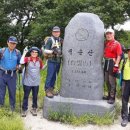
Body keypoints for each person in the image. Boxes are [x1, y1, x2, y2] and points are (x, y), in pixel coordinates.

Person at [20, 46, 45, 117]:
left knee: (35, 96)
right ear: (30, 52)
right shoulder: (27, 59)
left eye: (36, 52)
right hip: (27, 82)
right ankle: (24, 109)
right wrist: (24, 53)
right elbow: (21, 62)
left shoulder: (39, 60)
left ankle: (34, 108)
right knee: (26, 96)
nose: (34, 53)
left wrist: (47, 62)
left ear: (37, 53)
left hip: (36, 82)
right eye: (33, 52)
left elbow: (42, 68)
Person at [0, 36, 21, 111]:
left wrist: (19, 67)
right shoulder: (1, 51)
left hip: (12, 74)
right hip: (2, 73)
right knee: (1, 91)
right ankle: (1, 107)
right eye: (11, 43)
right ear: (7, 42)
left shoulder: (18, 52)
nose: (13, 45)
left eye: (14, 43)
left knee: (12, 91)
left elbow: (19, 63)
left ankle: (12, 108)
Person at [104, 28, 122, 104]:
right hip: (106, 61)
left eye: (110, 33)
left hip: (112, 62)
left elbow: (119, 55)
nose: (108, 35)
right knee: (106, 80)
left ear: (113, 34)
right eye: (107, 34)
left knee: (112, 81)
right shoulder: (106, 43)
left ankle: (112, 97)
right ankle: (108, 95)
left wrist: (116, 64)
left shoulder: (117, 43)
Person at [43, 26, 63, 98]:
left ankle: (51, 89)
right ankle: (47, 90)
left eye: (57, 32)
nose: (56, 33)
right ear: (52, 32)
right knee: (50, 75)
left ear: (60, 32)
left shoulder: (60, 40)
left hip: (58, 61)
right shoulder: (50, 40)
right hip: (51, 60)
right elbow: (45, 50)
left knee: (55, 76)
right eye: (55, 32)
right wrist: (52, 51)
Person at [121, 46, 130, 127]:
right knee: (124, 100)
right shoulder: (124, 61)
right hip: (125, 82)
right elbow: (119, 71)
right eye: (129, 51)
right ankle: (125, 117)